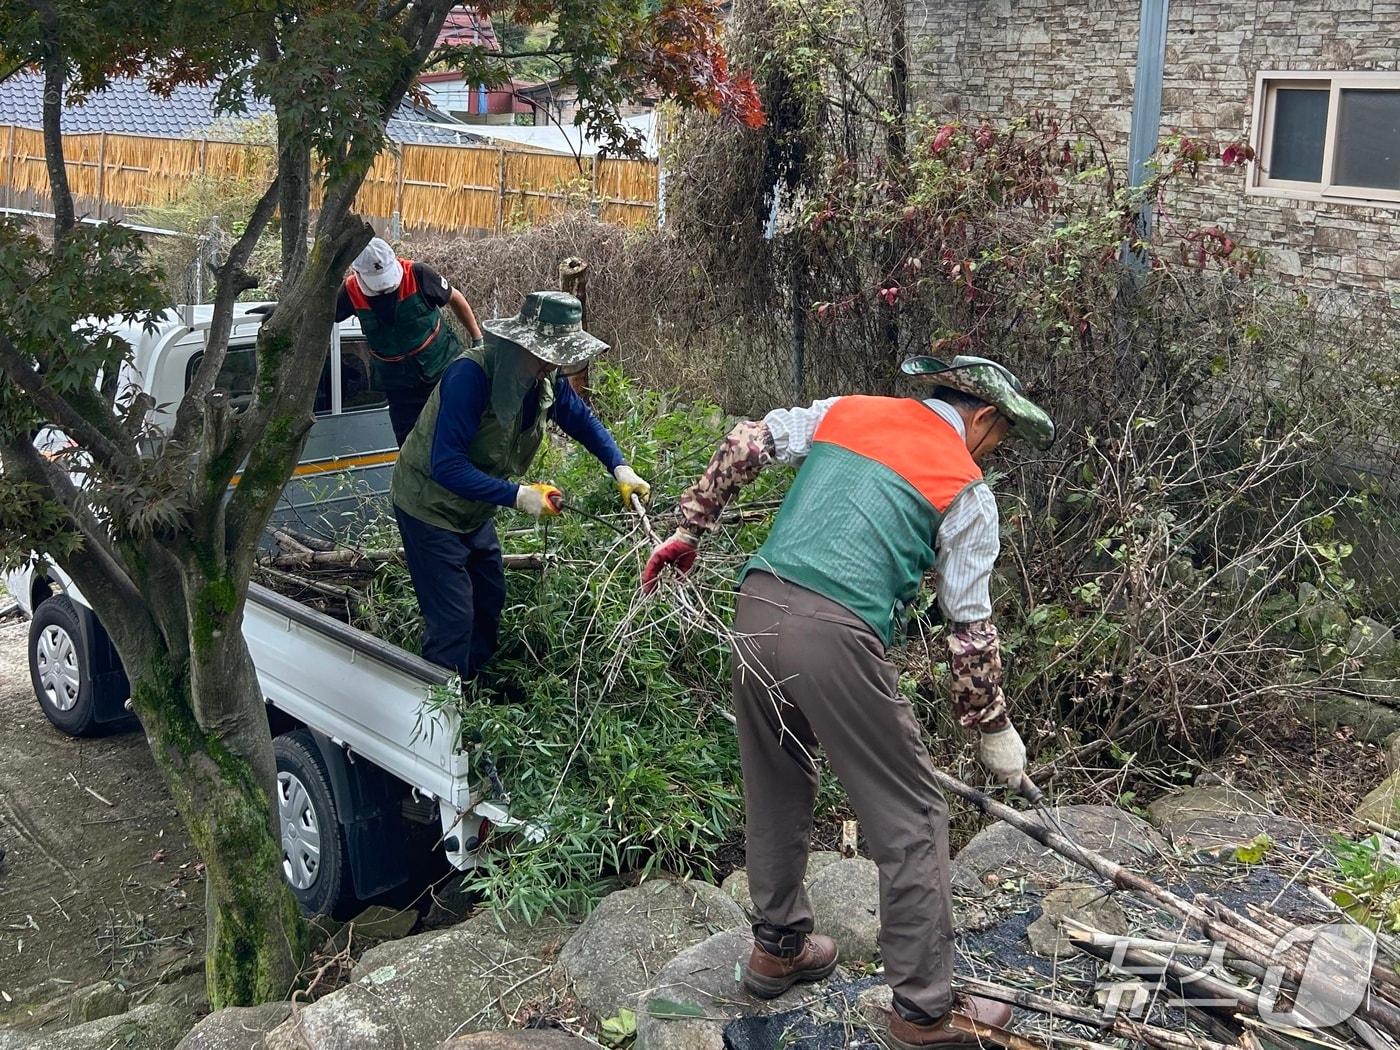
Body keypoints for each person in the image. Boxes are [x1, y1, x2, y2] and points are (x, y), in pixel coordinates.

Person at [641, 355, 1054, 1049]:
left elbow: (748, 440)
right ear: (984, 417)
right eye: (1001, 436)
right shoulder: (965, 487)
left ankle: (776, 948)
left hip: (756, 605)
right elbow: (969, 624)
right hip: (834, 632)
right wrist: (991, 727)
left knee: (776, 777)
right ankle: (923, 1010)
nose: (994, 450)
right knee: (914, 814)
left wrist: (691, 527)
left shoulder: (848, 411)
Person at [390, 290, 650, 680]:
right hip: (427, 506)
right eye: (547, 355)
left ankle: (471, 686)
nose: (553, 364)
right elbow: (446, 466)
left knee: (490, 598)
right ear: (522, 344)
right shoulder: (471, 376)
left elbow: (582, 421)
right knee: (454, 619)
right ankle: (438, 712)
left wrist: (620, 468)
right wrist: (519, 496)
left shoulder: (544, 381)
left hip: (474, 509)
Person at [335, 237, 484, 445]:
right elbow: (323, 316)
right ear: (357, 273)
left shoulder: (418, 274)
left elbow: (455, 298)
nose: (383, 289)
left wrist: (477, 339)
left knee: (456, 434)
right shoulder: (350, 291)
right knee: (410, 446)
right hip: (399, 386)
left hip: (442, 369)